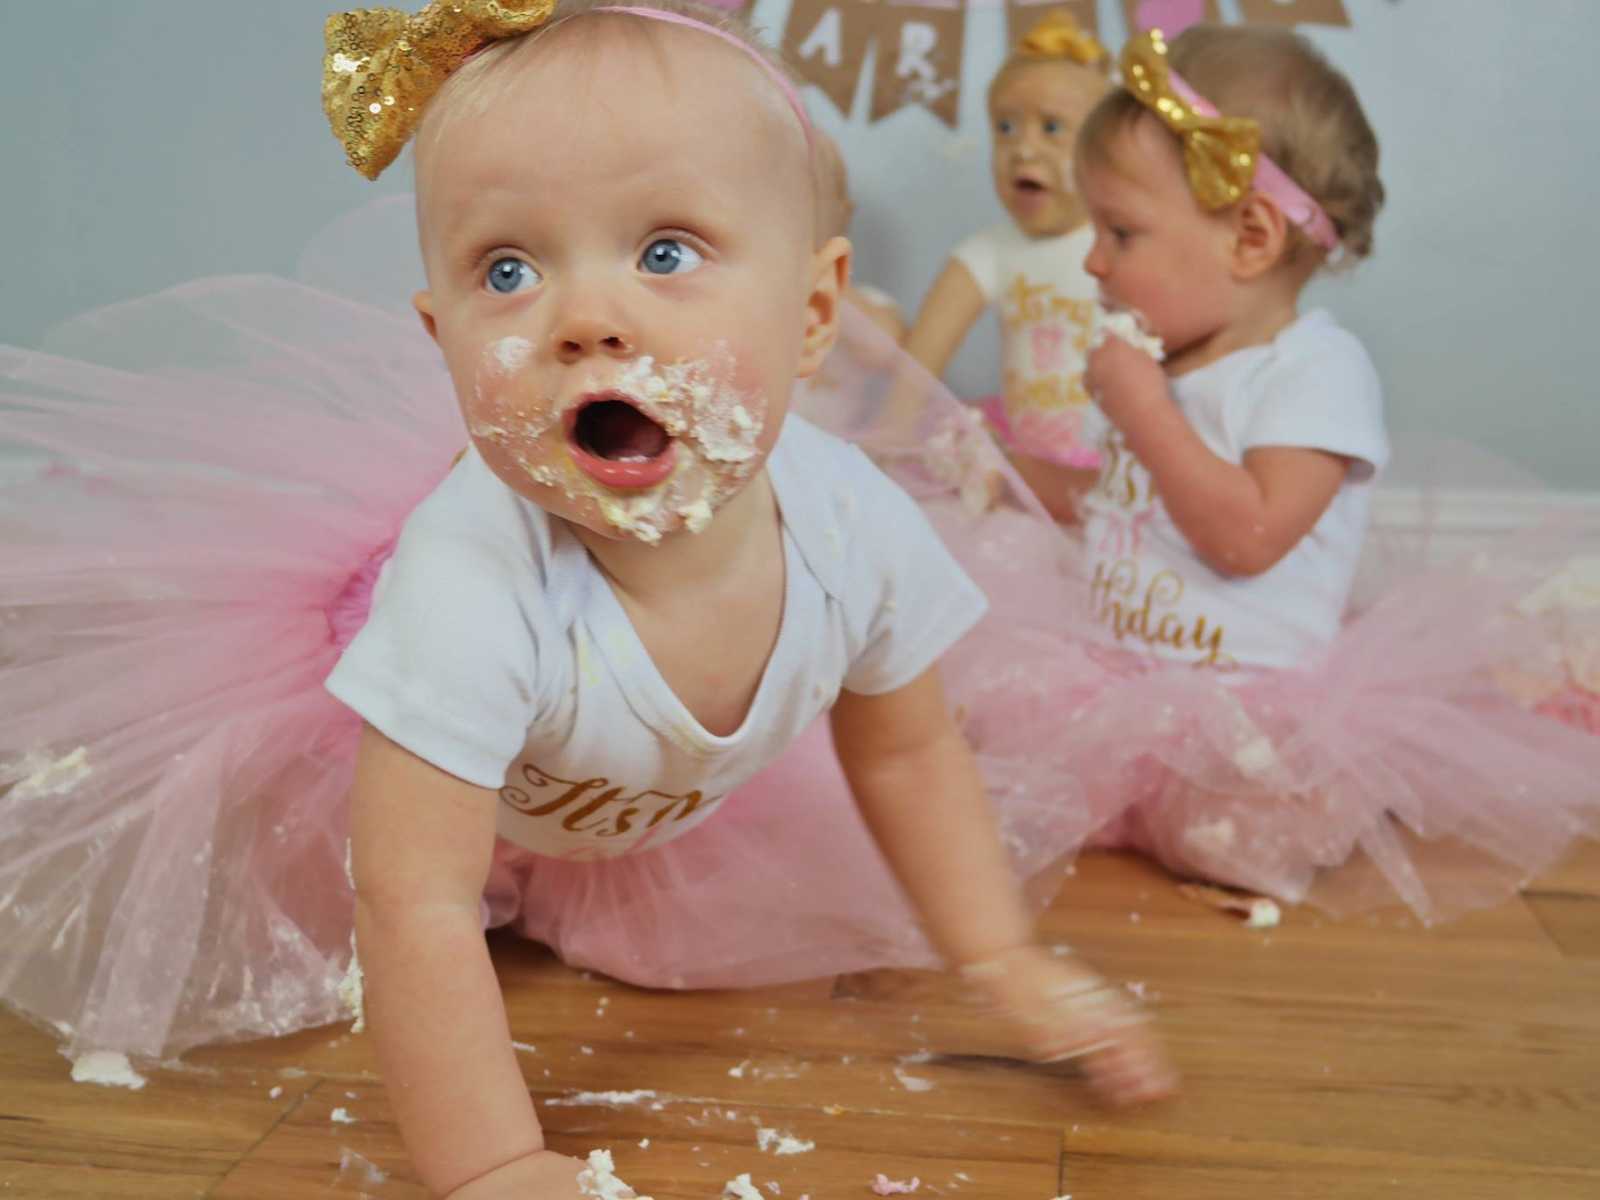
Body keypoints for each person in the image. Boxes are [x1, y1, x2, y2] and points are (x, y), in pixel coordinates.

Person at [0, 3, 1174, 1197]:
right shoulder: (466, 589)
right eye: (505, 271)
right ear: (442, 337)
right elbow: (411, 898)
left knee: (601, 911)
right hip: (421, 788)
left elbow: (911, 750)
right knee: (380, 885)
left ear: (815, 313)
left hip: (613, 791)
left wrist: (1003, 960)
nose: (586, 319)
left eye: (665, 251)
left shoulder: (850, 523)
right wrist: (492, 1166)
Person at [963, 22, 1599, 920]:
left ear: (1251, 238)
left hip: (1245, 704)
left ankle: (1282, 797)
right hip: (1119, 676)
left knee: (1256, 835)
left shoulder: (1313, 373)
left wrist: (1141, 407)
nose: (1093, 261)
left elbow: (1247, 537)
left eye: (1120, 232)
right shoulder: (1167, 355)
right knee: (983, 707)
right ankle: (1137, 794)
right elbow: (1126, 506)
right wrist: (1011, 473)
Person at [902, 9, 1111, 521]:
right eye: (1006, 127)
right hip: (1027, 469)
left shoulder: (1125, 247)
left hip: (1117, 472)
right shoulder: (990, 252)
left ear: (1107, 149)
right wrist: (877, 456)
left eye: (1053, 127)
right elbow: (913, 375)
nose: (1023, 149)